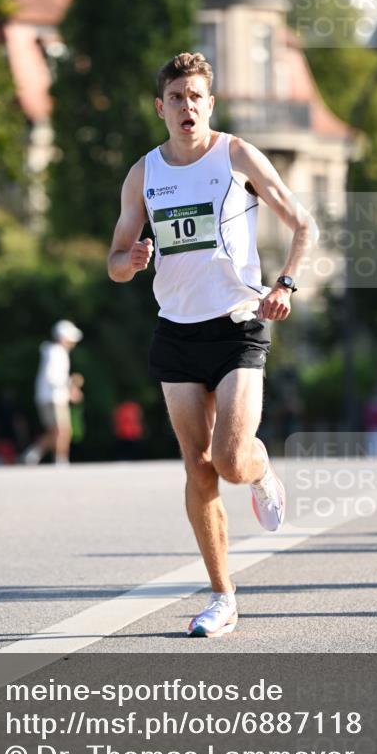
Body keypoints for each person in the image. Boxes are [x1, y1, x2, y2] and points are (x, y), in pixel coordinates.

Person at [107, 52, 316, 638]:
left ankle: (260, 467)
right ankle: (223, 597)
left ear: (210, 104)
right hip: (176, 332)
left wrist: (287, 284)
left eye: (196, 96)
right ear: (160, 108)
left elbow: (304, 224)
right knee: (198, 471)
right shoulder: (144, 174)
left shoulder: (236, 156)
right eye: (176, 98)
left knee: (228, 459)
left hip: (238, 323)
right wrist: (133, 259)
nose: (187, 107)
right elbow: (116, 262)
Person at [26, 320, 84, 465]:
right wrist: (70, 386)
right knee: (63, 430)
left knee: (56, 431)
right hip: (54, 398)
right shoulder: (57, 353)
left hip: (49, 397)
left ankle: (33, 454)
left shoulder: (54, 352)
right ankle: (61, 460)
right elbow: (53, 377)